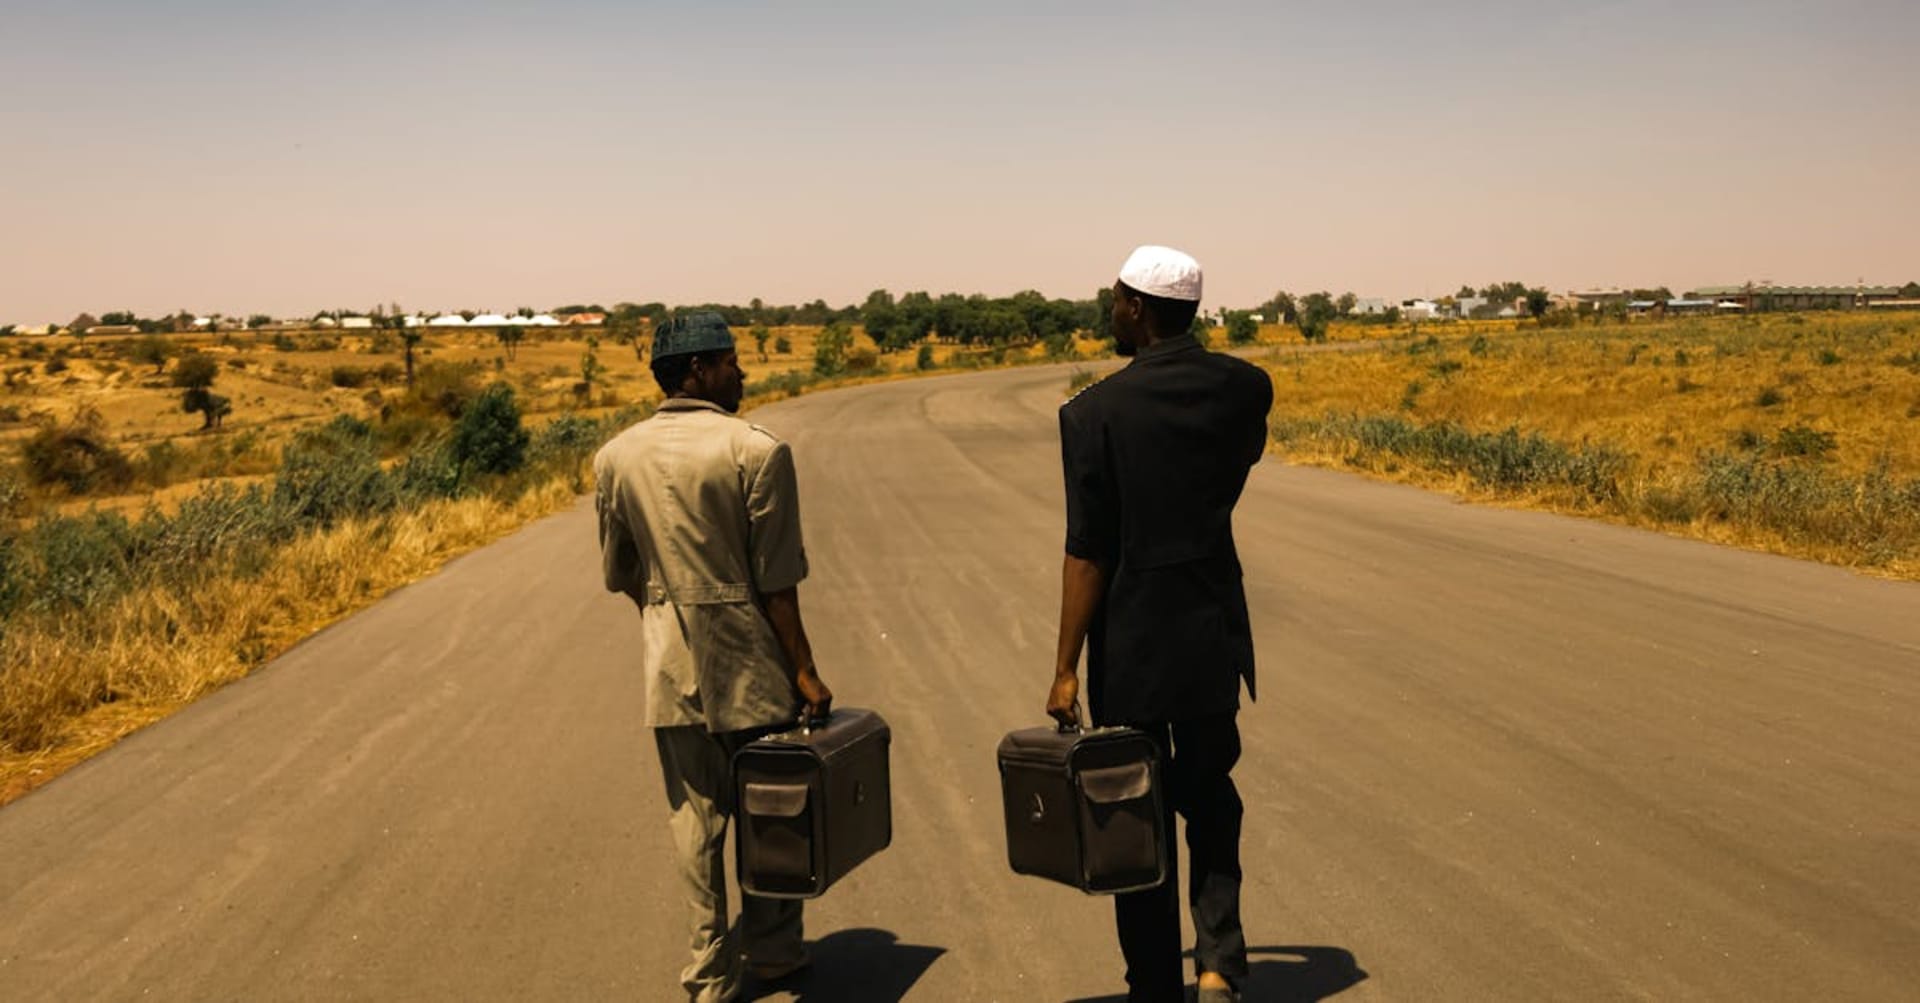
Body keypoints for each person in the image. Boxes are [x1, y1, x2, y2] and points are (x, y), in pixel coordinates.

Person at [1046, 246, 1274, 1003]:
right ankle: (1217, 964)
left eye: (1115, 299)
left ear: (1137, 308)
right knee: (1210, 798)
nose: (1111, 310)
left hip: (1132, 646)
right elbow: (1238, 468)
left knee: (1133, 814)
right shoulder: (1245, 388)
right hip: (1209, 632)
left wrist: (1065, 668)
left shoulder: (1091, 414)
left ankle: (1153, 982)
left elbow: (1088, 551)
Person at [594, 312, 833, 1003]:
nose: (742, 372)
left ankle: (708, 974)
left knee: (695, 823)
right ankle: (775, 950)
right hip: (752, 667)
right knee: (770, 809)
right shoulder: (756, 451)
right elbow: (777, 582)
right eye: (730, 361)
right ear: (698, 370)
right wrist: (805, 671)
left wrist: (671, 608)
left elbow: (618, 571)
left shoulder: (616, 457)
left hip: (671, 669)